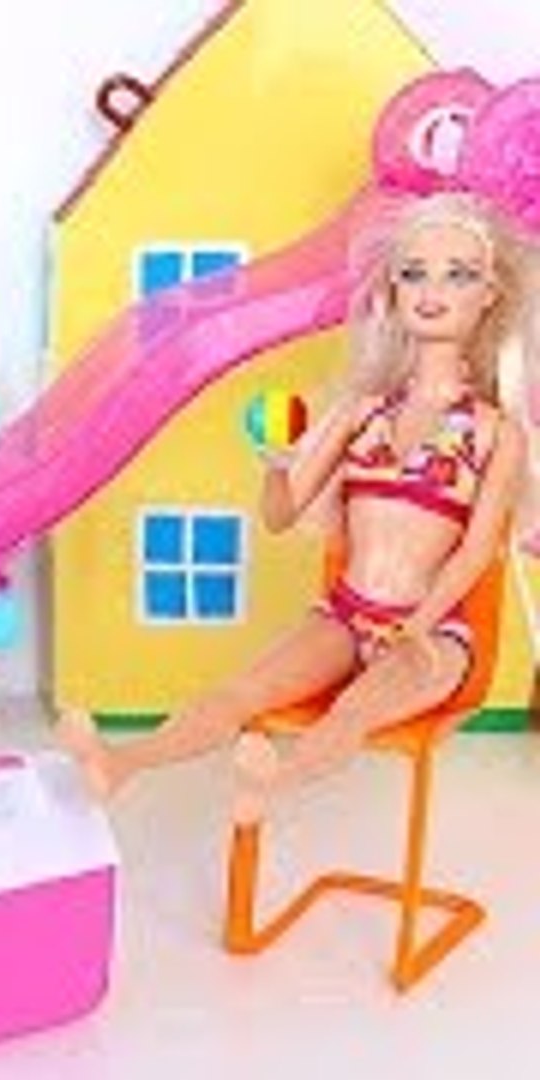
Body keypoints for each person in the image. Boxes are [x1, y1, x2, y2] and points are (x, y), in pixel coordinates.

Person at [59, 192, 536, 824]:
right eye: (414, 272)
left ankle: (271, 785)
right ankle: (120, 763)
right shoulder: (363, 411)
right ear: (392, 289)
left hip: (433, 632)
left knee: (354, 710)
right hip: (346, 614)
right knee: (241, 691)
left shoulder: (496, 432)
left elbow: (476, 552)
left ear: (490, 295)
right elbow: (281, 515)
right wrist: (275, 463)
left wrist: (418, 626)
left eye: (459, 275)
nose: (432, 290)